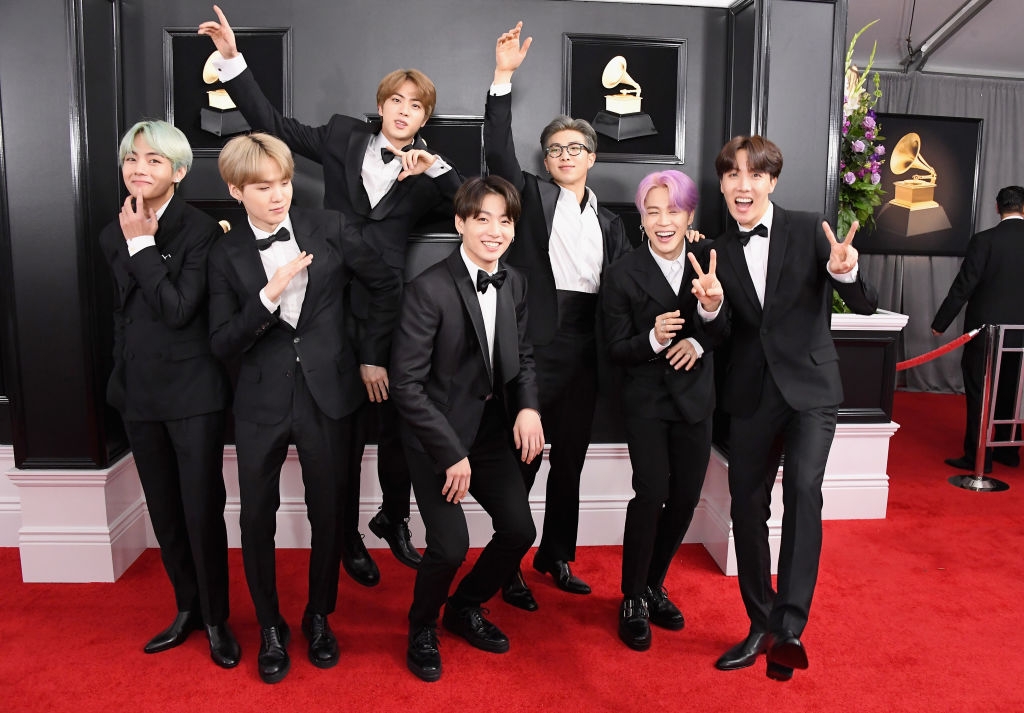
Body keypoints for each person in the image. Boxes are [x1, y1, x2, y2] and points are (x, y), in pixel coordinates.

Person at [200, 4, 462, 584]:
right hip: (323, 304)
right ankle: (343, 536)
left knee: (396, 418)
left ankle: (391, 518)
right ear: (382, 103)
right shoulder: (343, 135)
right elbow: (271, 123)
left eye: (416, 105)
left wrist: (435, 167)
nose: (403, 110)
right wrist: (230, 60)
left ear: (423, 119)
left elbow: (474, 205)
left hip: (388, 306)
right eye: (397, 99)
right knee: (338, 437)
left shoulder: (426, 169)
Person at [207, 133, 400, 684]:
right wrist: (267, 298)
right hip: (261, 399)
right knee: (254, 517)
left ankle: (319, 617)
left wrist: (368, 355)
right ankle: (270, 626)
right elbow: (221, 342)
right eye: (263, 187)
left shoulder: (331, 228)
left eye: (285, 183)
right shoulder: (224, 255)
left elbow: (385, 284)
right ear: (235, 190)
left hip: (329, 393)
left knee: (329, 515)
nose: (278, 196)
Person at [709, 136, 877, 681]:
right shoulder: (718, 250)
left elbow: (865, 304)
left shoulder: (811, 229)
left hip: (810, 390)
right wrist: (710, 311)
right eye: (733, 175)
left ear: (772, 182)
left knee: (804, 489)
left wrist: (845, 271)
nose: (743, 185)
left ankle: (790, 628)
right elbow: (729, 335)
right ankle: (761, 622)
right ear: (723, 183)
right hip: (751, 394)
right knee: (744, 506)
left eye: (755, 175)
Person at [483, 22, 630, 609]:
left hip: (588, 346)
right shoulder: (531, 195)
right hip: (536, 346)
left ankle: (557, 555)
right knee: (525, 458)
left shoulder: (614, 222)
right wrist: (502, 78)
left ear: (591, 157)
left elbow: (629, 285)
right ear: (546, 162)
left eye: (575, 149)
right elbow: (496, 150)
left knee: (571, 458)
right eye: (555, 150)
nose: (565, 157)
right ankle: (510, 563)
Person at [390, 176, 544, 682]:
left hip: (489, 431)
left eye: (505, 220)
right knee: (450, 545)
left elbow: (522, 356)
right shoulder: (428, 288)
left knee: (521, 530)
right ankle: (421, 626)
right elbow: (406, 386)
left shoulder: (515, 282)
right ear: (460, 223)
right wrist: (451, 452)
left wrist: (528, 409)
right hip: (436, 438)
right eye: (482, 218)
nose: (494, 230)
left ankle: (464, 606)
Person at [100, 120, 238, 668]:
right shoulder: (114, 228)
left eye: (154, 160)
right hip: (138, 394)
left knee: (201, 509)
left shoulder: (200, 230)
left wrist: (142, 244)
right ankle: (186, 607)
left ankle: (216, 620)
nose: (139, 169)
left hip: (192, 394)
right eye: (132, 159)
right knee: (163, 510)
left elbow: (179, 309)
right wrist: (121, 375)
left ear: (178, 171)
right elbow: (125, 313)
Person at [601, 170, 725, 651]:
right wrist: (653, 338)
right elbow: (614, 348)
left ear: (689, 215)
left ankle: (654, 585)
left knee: (687, 499)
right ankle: (632, 597)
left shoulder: (709, 259)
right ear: (642, 221)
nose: (663, 220)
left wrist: (700, 330)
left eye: (673, 210)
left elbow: (725, 328)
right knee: (650, 494)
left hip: (696, 401)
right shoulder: (621, 274)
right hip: (647, 402)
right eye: (653, 212)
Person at [933, 186, 1024, 473]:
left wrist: (941, 322)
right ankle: (1009, 451)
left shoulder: (985, 240)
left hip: (985, 330)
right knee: (1014, 389)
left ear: (997, 208)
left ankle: (976, 455)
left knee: (979, 391)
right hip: (1021, 332)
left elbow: (965, 284)